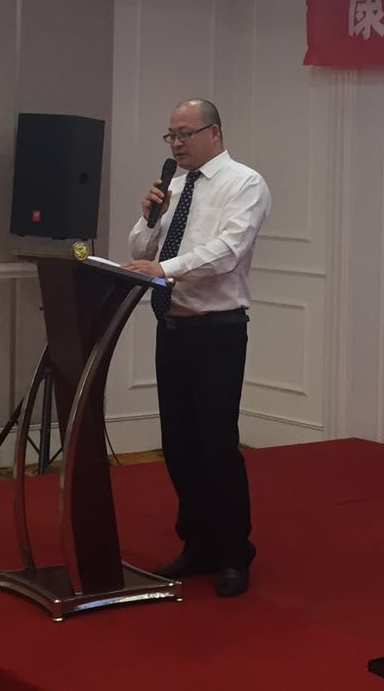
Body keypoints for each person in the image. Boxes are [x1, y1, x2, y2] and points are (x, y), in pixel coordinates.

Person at [123, 98, 271, 598]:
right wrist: (149, 218)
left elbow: (228, 252)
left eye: (185, 133)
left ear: (215, 132)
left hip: (217, 331)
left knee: (216, 444)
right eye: (171, 135)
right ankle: (198, 544)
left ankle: (234, 553)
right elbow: (141, 252)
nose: (176, 144)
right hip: (172, 328)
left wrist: (165, 269)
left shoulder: (244, 183)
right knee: (179, 443)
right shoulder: (173, 187)